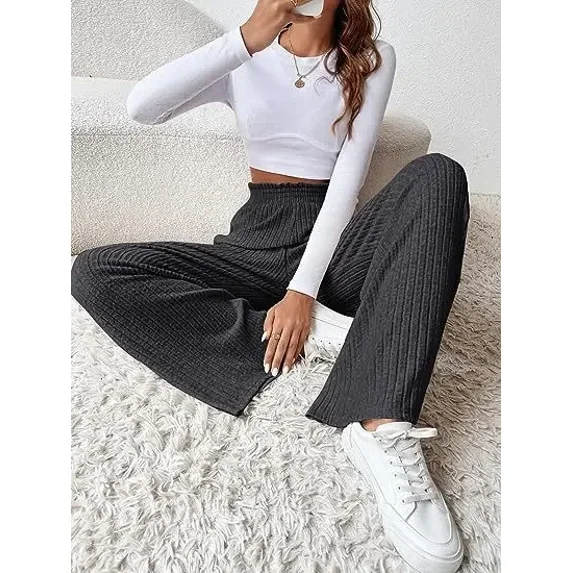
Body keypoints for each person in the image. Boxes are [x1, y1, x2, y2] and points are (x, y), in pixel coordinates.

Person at [71, 1, 470, 571]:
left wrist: (303, 291)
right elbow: (142, 108)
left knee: (440, 173)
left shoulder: (371, 59)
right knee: (95, 270)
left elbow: (348, 183)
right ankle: (309, 333)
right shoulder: (245, 54)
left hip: (332, 252)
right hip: (253, 245)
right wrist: (245, 38)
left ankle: (381, 425)